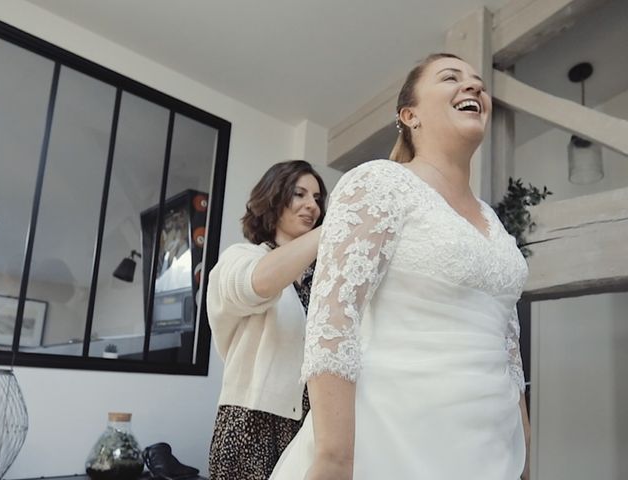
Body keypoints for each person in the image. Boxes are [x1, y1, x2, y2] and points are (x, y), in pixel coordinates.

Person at [270, 53, 531, 480]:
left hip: (491, 450)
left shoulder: (495, 224)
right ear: (410, 115)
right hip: (393, 442)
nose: (474, 87)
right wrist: (335, 457)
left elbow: (509, 349)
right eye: (451, 78)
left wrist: (523, 448)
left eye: (478, 83)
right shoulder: (380, 183)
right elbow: (333, 322)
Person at [206, 160, 327, 480]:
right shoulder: (242, 258)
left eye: (317, 199)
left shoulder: (324, 280)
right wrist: (332, 230)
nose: (311, 206)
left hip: (311, 427)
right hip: (250, 425)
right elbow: (256, 285)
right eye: (299, 194)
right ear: (274, 198)